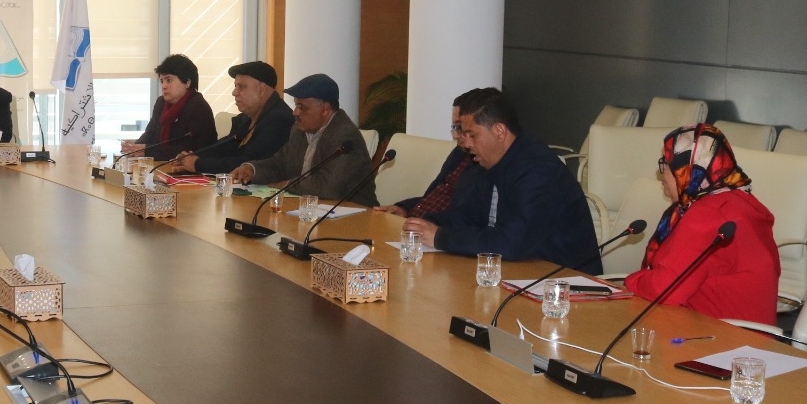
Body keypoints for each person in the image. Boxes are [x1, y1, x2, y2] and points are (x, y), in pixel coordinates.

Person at [401, 89, 599, 269]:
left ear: (499, 131)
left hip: (565, 282)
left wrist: (440, 237)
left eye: (472, 135)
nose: (466, 144)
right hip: (518, 271)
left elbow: (510, 243)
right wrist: (424, 223)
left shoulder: (538, 171)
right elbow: (467, 217)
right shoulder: (491, 161)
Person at [622, 124, 780, 325]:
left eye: (667, 165)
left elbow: (666, 290)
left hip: (723, 337)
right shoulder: (738, 200)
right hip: (746, 335)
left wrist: (630, 281)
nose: (662, 174)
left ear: (687, 170)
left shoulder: (708, 215)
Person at [231, 73, 377, 205]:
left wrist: (286, 185)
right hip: (309, 208)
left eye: (302, 107)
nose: (295, 112)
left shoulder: (344, 135)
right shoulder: (299, 129)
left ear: (325, 109)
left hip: (353, 213)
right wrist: (252, 169)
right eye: (296, 105)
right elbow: (281, 163)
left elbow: (329, 186)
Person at [167, 60, 293, 175]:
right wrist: (192, 157)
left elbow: (247, 163)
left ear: (261, 89)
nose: (234, 92)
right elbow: (224, 149)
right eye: (235, 86)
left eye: (241, 87)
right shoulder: (246, 118)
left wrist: (197, 164)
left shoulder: (279, 119)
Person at [373, 95, 483, 218]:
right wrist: (404, 208)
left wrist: (433, 227)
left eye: (460, 127)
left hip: (437, 227)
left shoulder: (485, 163)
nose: (456, 135)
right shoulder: (459, 152)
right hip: (415, 222)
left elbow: (466, 215)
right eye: (454, 127)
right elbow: (433, 195)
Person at [122, 53, 218, 162]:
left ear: (187, 82)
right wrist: (134, 147)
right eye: (162, 81)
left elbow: (192, 150)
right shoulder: (161, 103)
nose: (164, 86)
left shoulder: (198, 108)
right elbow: (150, 133)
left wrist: (147, 151)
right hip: (162, 164)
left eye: (169, 80)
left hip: (189, 169)